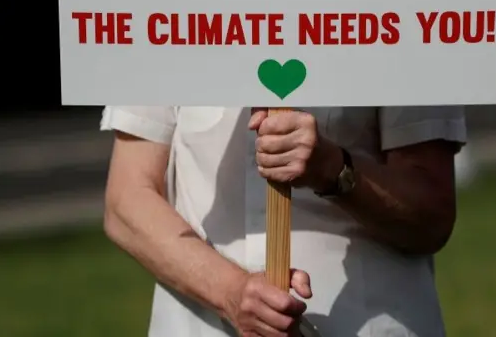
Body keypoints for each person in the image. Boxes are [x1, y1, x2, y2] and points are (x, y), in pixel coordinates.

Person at [101, 105, 466, 337]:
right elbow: (127, 200)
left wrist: (332, 168)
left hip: (367, 323)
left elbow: (431, 214)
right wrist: (231, 293)